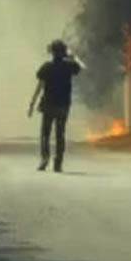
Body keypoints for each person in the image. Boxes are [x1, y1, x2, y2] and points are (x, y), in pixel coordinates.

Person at [27, 39, 84, 172]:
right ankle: (58, 163)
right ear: (63, 52)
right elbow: (81, 66)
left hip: (49, 105)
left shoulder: (46, 67)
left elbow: (39, 87)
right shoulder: (69, 66)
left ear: (52, 53)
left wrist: (32, 104)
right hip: (63, 105)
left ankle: (44, 158)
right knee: (60, 134)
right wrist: (72, 56)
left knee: (45, 133)